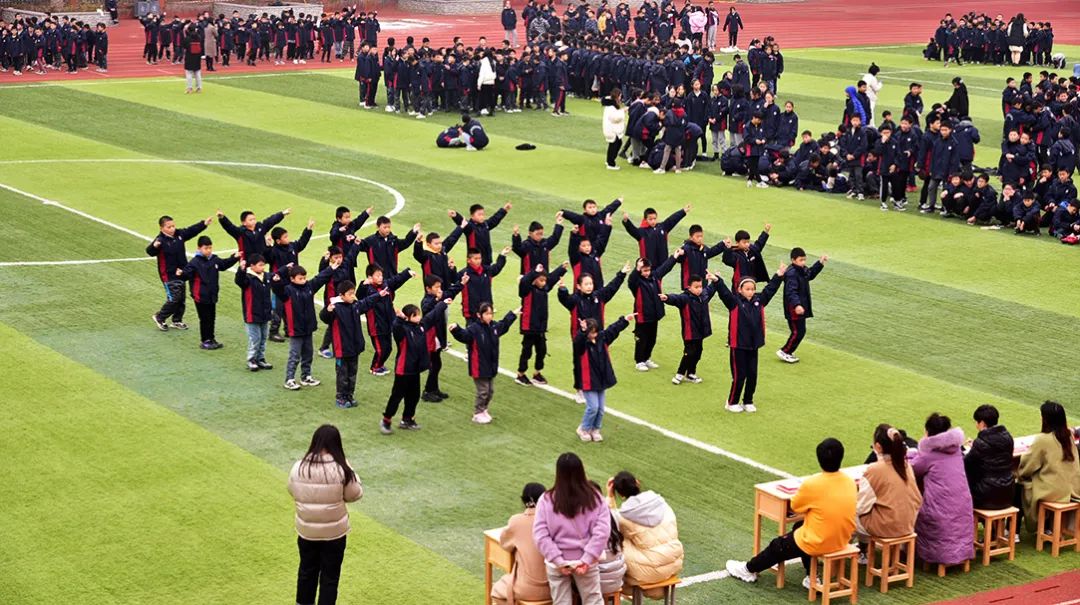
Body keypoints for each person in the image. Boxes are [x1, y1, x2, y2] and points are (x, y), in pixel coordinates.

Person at [727, 438, 856, 589]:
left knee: (778, 546)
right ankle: (812, 576)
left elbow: (795, 507)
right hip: (842, 538)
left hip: (819, 541)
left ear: (819, 459)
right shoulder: (849, 482)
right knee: (800, 526)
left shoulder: (812, 484)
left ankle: (748, 570)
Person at [287, 424, 363, 605]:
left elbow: (292, 489)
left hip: (307, 531)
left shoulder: (299, 466)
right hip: (334, 533)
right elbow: (354, 494)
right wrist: (352, 472)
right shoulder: (341, 469)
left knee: (306, 571)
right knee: (330, 576)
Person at [533, 453, 612, 605]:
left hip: (557, 562)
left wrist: (558, 560)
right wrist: (587, 559)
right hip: (586, 561)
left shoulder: (546, 499)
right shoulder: (595, 497)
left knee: (561, 602)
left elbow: (540, 535)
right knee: (593, 600)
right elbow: (602, 532)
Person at [716, 262, 785, 413]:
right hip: (738, 345)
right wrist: (717, 281)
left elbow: (770, 290)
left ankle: (748, 400)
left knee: (752, 375)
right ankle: (732, 402)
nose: (751, 292)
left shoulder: (759, 301)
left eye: (753, 289)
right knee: (739, 375)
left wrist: (778, 275)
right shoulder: (734, 302)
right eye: (747, 289)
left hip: (754, 345)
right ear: (740, 290)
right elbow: (724, 293)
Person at [912, 413, 975, 567]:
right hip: (963, 505)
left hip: (940, 511)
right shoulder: (956, 450)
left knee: (916, 510)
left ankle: (926, 556)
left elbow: (912, 469)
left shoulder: (929, 455)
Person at [606, 471, 684, 593]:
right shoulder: (661, 502)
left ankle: (611, 586)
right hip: (676, 562)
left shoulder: (624, 517)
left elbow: (609, 522)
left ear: (620, 495)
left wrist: (610, 496)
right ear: (637, 482)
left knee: (615, 540)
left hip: (651, 572)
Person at [379, 301, 450, 434]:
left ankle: (407, 419)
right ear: (409, 317)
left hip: (415, 369)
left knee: (414, 396)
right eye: (416, 315)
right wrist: (400, 318)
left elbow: (433, 315)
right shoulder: (402, 330)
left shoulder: (421, 326)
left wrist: (443, 303)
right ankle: (386, 420)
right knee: (397, 396)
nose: (419, 317)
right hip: (403, 369)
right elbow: (396, 326)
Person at [856, 424, 922, 559]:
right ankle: (863, 551)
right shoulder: (906, 466)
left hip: (888, 525)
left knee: (847, 516)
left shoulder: (875, 470)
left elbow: (861, 508)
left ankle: (858, 553)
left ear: (878, 447)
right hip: (908, 523)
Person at [319, 281, 386, 409]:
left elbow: (366, 302)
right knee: (342, 374)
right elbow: (324, 317)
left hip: (354, 347)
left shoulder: (355, 306)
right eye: (350, 294)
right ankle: (341, 397)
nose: (353, 296)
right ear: (342, 295)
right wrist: (328, 310)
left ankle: (349, 395)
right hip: (342, 349)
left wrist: (379, 295)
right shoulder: (335, 308)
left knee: (352, 374)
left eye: (353, 293)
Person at [271, 262, 337, 391]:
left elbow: (319, 279)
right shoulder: (287, 291)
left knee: (308, 354)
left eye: (304, 278)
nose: (303, 280)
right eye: (300, 278)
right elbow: (277, 288)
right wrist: (277, 279)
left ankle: (306, 376)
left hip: (308, 327)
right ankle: (289, 379)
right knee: (294, 355)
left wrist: (330, 269)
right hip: (295, 329)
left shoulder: (309, 287)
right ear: (292, 279)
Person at [449, 303, 519, 424]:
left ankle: (484, 409)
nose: (489, 316)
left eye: (491, 314)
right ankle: (477, 413)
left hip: (491, 364)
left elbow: (504, 324)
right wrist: (456, 329)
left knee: (490, 391)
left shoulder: (494, 327)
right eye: (486, 314)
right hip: (479, 365)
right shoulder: (474, 329)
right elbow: (464, 336)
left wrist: (512, 314)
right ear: (479, 315)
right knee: (483, 391)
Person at [1017, 401, 1080, 531]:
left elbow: (1027, 467)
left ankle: (1013, 530)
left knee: (1019, 486)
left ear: (1045, 419)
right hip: (1073, 488)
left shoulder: (1043, 439)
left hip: (1054, 491)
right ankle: (1047, 526)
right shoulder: (1068, 437)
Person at [148, 214, 212, 332]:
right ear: (162, 228)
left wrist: (204, 224)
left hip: (182, 273)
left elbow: (191, 231)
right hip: (168, 275)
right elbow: (150, 251)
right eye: (169, 227)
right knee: (174, 298)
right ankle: (160, 317)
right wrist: (154, 246)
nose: (172, 229)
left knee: (181, 298)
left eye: (173, 226)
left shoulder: (179, 234)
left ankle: (177, 320)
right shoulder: (160, 240)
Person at [573, 314, 633, 442]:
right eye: (591, 333)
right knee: (593, 407)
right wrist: (582, 331)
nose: (593, 335)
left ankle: (595, 429)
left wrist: (624, 320)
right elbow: (578, 342)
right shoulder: (582, 344)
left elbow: (613, 329)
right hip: (588, 380)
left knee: (600, 409)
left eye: (595, 332)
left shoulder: (602, 338)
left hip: (601, 379)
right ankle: (584, 429)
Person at [491, 483, 551, 605]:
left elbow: (505, 545)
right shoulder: (554, 520)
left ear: (523, 501)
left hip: (525, 589)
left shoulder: (516, 521)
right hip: (555, 587)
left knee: (496, 592)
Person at [178, 236, 238, 350]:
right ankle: (205, 340)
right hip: (200, 296)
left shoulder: (214, 259)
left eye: (210, 248)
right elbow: (187, 274)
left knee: (211, 317)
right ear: (199, 248)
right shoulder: (194, 262)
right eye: (206, 248)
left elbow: (224, 265)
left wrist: (234, 258)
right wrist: (181, 273)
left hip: (212, 295)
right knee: (205, 318)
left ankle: (211, 338)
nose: (209, 250)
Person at [516, 263, 568, 387]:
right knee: (527, 351)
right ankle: (520, 374)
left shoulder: (544, 289)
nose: (544, 282)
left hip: (540, 327)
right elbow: (525, 281)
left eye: (544, 280)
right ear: (534, 280)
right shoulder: (526, 290)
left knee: (541, 351)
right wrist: (534, 272)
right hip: (529, 326)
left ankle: (536, 373)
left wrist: (561, 269)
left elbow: (552, 278)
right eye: (541, 280)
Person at [662, 272, 718, 384]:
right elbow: (675, 298)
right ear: (689, 287)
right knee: (689, 353)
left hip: (701, 332)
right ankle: (680, 374)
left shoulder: (704, 295)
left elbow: (711, 288)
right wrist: (666, 297)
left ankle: (691, 373)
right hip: (690, 332)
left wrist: (716, 279)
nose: (699, 289)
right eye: (696, 287)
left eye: (700, 286)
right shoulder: (685, 298)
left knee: (698, 352)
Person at [778, 248, 827, 363]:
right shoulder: (792, 274)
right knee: (798, 331)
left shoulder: (801, 269)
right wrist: (797, 305)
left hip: (799, 306)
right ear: (793, 260)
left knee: (798, 331)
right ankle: (785, 351)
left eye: (804, 260)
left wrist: (820, 263)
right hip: (794, 308)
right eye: (801, 260)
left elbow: (809, 274)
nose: (803, 262)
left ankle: (788, 351)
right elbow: (791, 292)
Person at [964, 404, 1016, 511]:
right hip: (1008, 492)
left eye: (977, 422)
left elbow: (967, 463)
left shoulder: (981, 443)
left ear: (982, 423)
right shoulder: (1008, 438)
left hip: (986, 495)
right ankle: (993, 527)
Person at [234, 254, 274, 371]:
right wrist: (241, 269)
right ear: (252, 266)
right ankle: (251, 359)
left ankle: (260, 359)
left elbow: (275, 275)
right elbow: (239, 280)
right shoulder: (247, 278)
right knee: (255, 338)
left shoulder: (265, 276)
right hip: (252, 313)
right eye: (260, 265)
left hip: (265, 313)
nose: (263, 267)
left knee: (263, 338)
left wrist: (285, 269)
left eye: (263, 265)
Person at [602, 89, 627, 170]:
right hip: (612, 129)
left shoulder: (610, 105)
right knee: (615, 144)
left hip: (611, 128)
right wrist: (623, 111)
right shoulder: (611, 107)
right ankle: (611, 163)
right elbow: (615, 118)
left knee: (615, 143)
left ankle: (609, 160)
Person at [182, 24, 204, 94]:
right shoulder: (199, 37)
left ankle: (189, 88)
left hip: (189, 56)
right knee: (198, 73)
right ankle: (199, 88)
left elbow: (184, 46)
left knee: (189, 73)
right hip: (197, 57)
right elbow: (202, 46)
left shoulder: (187, 38)